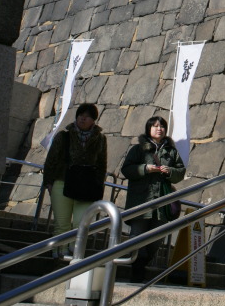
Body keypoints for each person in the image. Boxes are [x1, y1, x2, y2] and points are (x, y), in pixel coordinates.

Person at [121, 116, 186, 282]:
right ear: (148, 129)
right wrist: (145, 169)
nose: (159, 129)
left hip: (161, 204)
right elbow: (127, 169)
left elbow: (180, 172)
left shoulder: (171, 151)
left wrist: (169, 171)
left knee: (156, 241)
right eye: (155, 126)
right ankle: (136, 271)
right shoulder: (138, 149)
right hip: (141, 200)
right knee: (137, 237)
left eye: (162, 126)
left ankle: (141, 266)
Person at [43, 103, 107, 256]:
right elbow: (51, 160)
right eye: (80, 115)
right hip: (62, 182)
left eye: (88, 116)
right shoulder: (64, 136)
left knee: (81, 223)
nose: (83, 118)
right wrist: (49, 182)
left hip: (87, 186)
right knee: (62, 224)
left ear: (94, 120)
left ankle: (74, 253)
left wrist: (99, 185)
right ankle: (59, 254)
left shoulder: (100, 139)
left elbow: (101, 164)